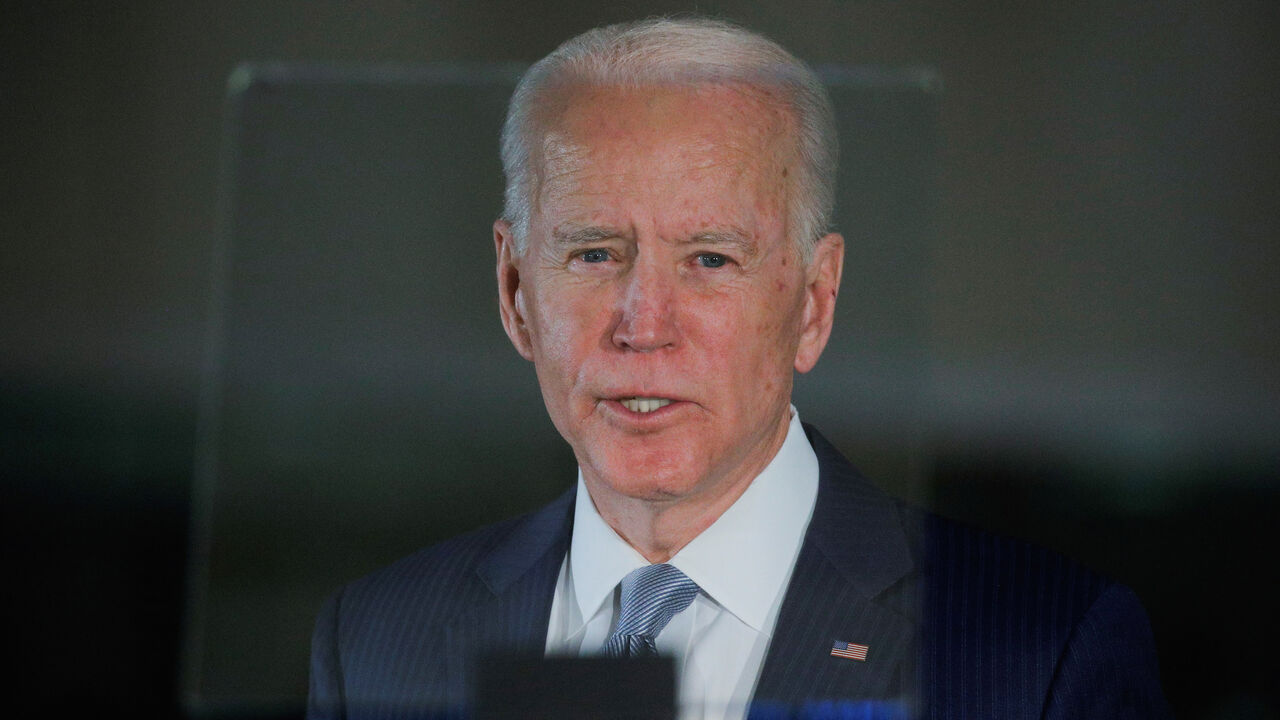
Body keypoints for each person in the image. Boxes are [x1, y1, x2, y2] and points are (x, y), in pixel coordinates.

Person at [307, 17, 1169, 720]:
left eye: (711, 259)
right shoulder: (376, 639)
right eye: (596, 253)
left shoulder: (1041, 654)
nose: (644, 327)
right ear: (514, 290)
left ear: (814, 303)